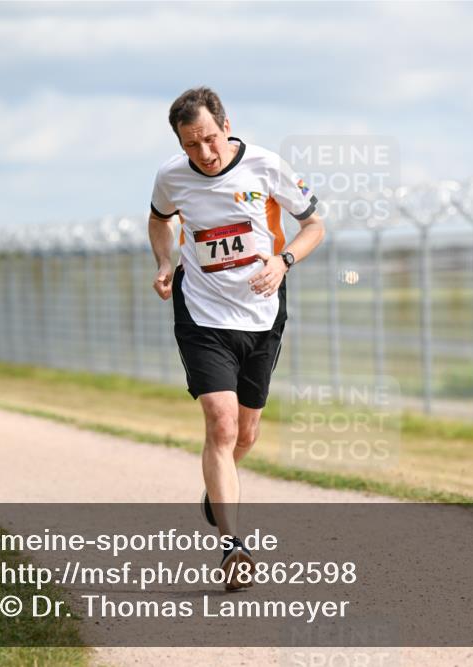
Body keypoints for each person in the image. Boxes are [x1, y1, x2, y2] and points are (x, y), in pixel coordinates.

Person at [148, 87, 325, 590]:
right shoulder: (171, 176)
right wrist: (164, 261)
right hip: (202, 313)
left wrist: (283, 261)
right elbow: (159, 220)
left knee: (246, 434)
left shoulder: (266, 166)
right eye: (190, 144)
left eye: (209, 138)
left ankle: (217, 486)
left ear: (226, 125)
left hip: (262, 313)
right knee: (221, 423)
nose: (203, 153)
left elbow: (314, 225)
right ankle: (233, 546)